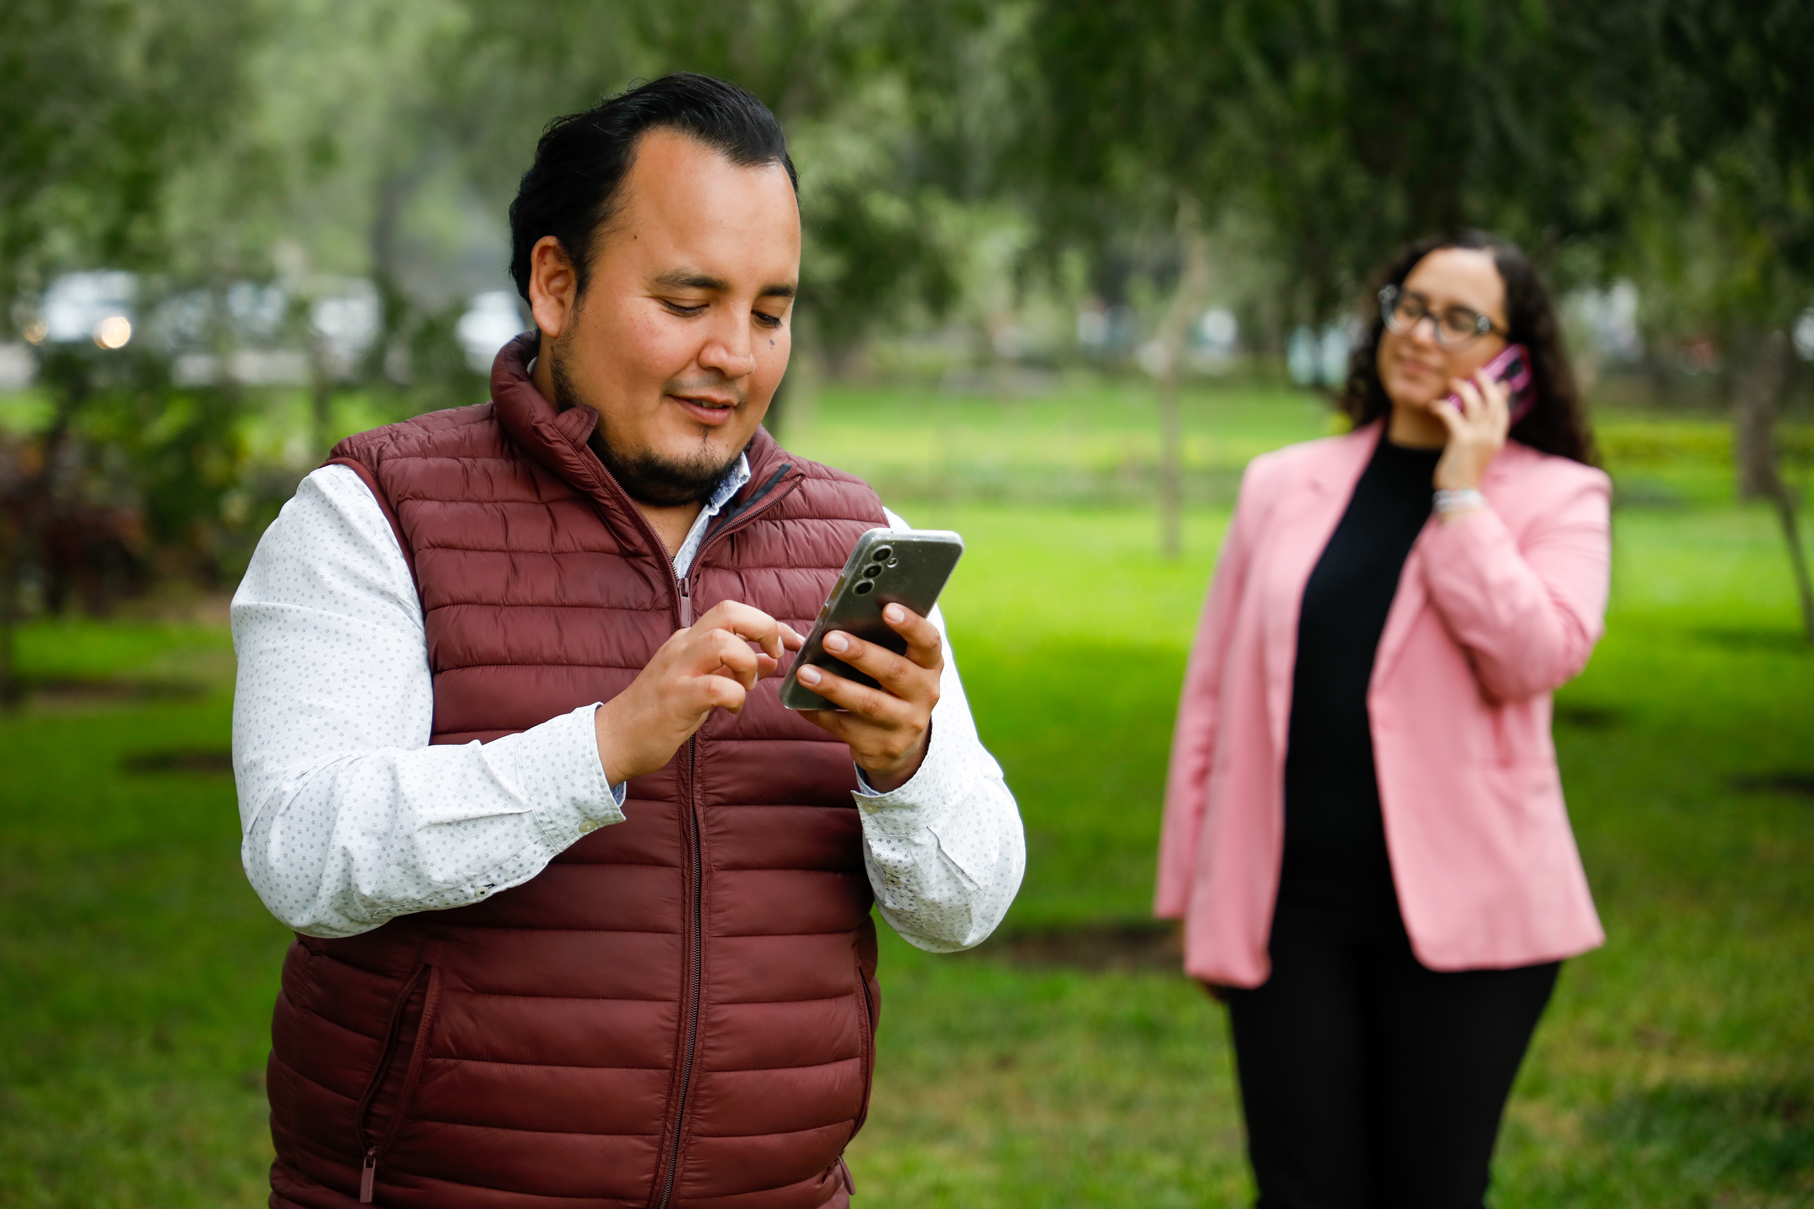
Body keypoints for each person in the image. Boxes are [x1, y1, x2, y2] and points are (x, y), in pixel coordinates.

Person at [230, 74, 1024, 1209]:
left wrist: (907, 762)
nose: (734, 356)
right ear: (555, 284)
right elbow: (305, 856)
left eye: (768, 310)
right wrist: (599, 748)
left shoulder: (862, 541)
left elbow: (965, 903)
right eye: (688, 299)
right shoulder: (368, 515)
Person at [1155, 230, 1610, 1208]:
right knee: (1300, 1187)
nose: (1421, 332)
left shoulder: (1559, 496)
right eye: (1408, 304)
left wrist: (1459, 495)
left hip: (1469, 925)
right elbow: (1211, 701)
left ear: (1511, 355)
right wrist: (1197, 891)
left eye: (1460, 320)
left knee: (1430, 1188)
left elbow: (1533, 658)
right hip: (1290, 914)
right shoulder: (1280, 483)